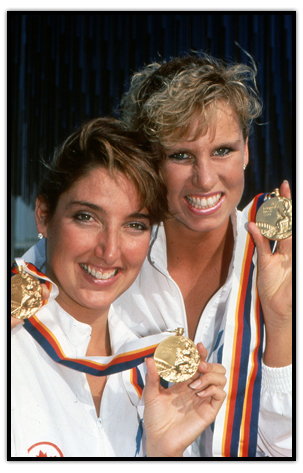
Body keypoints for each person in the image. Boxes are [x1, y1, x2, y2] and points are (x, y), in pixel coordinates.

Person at [11, 117, 227, 458]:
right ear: (42, 215)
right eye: (87, 217)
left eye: (135, 225)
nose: (109, 251)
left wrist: (161, 455)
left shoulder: (149, 370)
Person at [113, 53, 292, 457]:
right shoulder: (107, 256)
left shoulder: (284, 260)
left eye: (223, 150)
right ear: (150, 162)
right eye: (181, 155)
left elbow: (285, 452)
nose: (206, 178)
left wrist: (280, 321)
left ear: (247, 150)